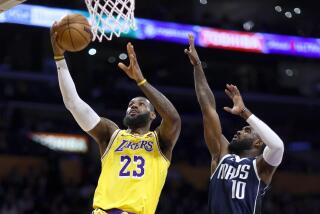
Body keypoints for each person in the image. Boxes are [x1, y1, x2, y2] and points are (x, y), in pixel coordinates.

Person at [50, 22, 181, 214]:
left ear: (153, 114)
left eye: (141, 104)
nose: (133, 105)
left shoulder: (160, 141)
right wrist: (59, 58)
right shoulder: (110, 133)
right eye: (130, 104)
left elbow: (173, 118)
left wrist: (141, 81)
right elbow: (73, 103)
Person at [184, 34, 284, 214]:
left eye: (247, 130)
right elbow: (208, 108)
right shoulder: (221, 153)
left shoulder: (261, 167)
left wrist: (245, 113)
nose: (239, 131)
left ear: (258, 142)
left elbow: (278, 146)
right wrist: (198, 67)